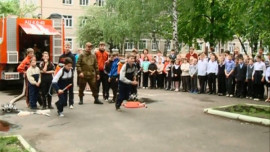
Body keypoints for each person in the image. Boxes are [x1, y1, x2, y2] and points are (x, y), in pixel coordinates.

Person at [58, 43, 75, 108]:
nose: (67, 48)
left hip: (70, 75)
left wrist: (70, 71)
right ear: (64, 47)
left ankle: (71, 103)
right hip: (63, 76)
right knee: (64, 89)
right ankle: (64, 102)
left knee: (70, 89)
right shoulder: (61, 56)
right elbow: (59, 65)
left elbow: (73, 66)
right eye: (66, 47)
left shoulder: (72, 56)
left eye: (68, 47)